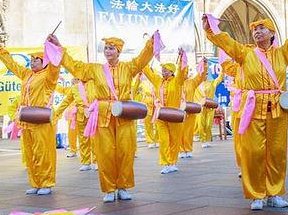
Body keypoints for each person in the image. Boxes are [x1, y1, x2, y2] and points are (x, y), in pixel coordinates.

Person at [202, 10, 288, 210]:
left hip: (277, 109)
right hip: (252, 109)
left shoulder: (282, 53)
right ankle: (256, 195)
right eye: (254, 30)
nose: (257, 32)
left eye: (262, 28)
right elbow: (227, 42)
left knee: (277, 152)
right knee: (253, 152)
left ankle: (274, 192)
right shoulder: (245, 54)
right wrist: (211, 29)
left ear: (272, 33)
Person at [49, 33, 155, 202]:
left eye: (111, 48)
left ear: (118, 51)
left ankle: (123, 187)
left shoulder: (129, 67)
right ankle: (109, 189)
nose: (107, 51)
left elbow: (143, 58)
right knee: (105, 153)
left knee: (125, 152)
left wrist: (151, 42)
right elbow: (74, 66)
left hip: (124, 114)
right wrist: (58, 46)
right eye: (106, 48)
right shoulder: (95, 69)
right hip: (103, 115)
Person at [0, 41, 61, 195]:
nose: (33, 62)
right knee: (30, 153)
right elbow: (11, 64)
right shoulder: (26, 74)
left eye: (36, 60)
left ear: (44, 62)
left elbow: (55, 66)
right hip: (27, 119)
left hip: (42, 119)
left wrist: (53, 48)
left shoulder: (48, 76)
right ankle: (35, 182)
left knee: (43, 152)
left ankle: (46, 183)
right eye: (31, 60)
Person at [143, 56, 188, 174]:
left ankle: (172, 162)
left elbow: (182, 70)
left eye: (165, 70)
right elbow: (148, 72)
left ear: (172, 71)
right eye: (162, 70)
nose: (163, 72)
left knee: (174, 140)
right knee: (163, 140)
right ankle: (165, 163)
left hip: (174, 115)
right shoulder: (158, 81)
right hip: (161, 114)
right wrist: (144, 59)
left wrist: (182, 58)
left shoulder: (178, 81)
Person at [54, 80, 96, 171]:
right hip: (81, 116)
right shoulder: (74, 88)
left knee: (95, 139)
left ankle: (96, 162)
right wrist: (56, 113)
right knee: (83, 140)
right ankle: (86, 162)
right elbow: (66, 101)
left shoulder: (94, 84)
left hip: (94, 115)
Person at [179, 59, 208, 158]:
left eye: (186, 72)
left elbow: (201, 76)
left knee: (188, 132)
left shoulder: (192, 82)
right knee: (179, 132)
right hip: (178, 111)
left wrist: (204, 65)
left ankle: (188, 149)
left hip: (190, 111)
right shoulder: (175, 82)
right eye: (183, 72)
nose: (185, 74)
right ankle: (181, 150)